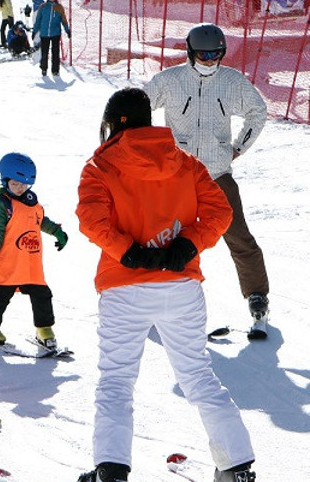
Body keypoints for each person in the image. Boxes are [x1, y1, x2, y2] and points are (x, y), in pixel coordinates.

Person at [75, 88, 256, 482]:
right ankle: (237, 464)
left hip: (124, 288)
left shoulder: (100, 166)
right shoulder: (185, 163)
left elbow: (91, 218)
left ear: (117, 123)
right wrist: (188, 243)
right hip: (181, 288)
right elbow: (219, 210)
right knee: (197, 374)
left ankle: (111, 470)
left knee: (117, 381)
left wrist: (128, 252)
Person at [144, 23, 270, 337]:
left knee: (238, 235)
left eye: (216, 54)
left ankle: (257, 295)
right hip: (177, 176)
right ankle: (152, 298)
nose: (210, 60)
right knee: (162, 237)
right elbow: (138, 108)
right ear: (190, 52)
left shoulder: (231, 82)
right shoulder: (170, 81)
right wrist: (154, 149)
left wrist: (238, 147)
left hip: (216, 174)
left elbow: (258, 111)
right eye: (204, 54)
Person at [0, 153, 68, 350]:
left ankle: (44, 330)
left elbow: (41, 221)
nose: (21, 188)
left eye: (25, 185)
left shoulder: (32, 202)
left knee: (43, 295)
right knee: (0, 296)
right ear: (5, 179)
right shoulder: (2, 205)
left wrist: (58, 233)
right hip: (10, 263)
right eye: (16, 183)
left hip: (31, 264)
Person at [31, 0, 71, 77]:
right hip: (44, 33)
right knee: (44, 52)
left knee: (55, 52)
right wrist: (34, 31)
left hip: (55, 33)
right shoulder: (43, 6)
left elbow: (64, 20)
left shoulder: (59, 7)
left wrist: (67, 30)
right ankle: (44, 68)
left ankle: (55, 70)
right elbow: (38, 20)